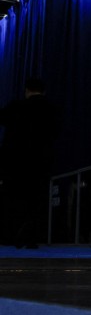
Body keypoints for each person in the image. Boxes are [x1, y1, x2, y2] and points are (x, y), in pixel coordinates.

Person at [0, 77, 62, 248]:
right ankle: (31, 237)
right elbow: (56, 132)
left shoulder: (16, 106)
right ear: (44, 91)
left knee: (12, 198)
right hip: (41, 160)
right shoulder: (52, 109)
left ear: (26, 90)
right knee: (37, 200)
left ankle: (9, 235)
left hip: (15, 161)